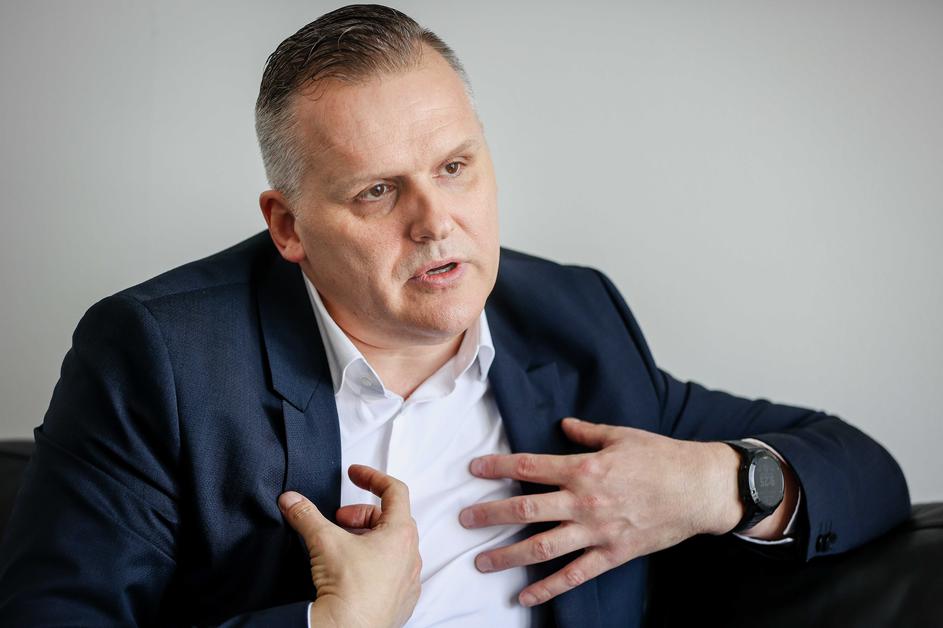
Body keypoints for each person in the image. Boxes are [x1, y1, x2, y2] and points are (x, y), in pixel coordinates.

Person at [0, 4, 911, 628]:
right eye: (377, 191)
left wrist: (717, 484)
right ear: (288, 227)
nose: (435, 222)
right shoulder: (159, 357)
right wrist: (333, 624)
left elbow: (864, 470)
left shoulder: (573, 322)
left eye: (454, 167)